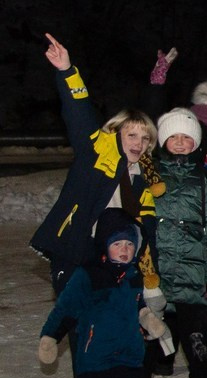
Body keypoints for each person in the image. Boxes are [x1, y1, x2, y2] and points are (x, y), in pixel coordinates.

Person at [31, 34, 159, 297]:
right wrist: (67, 71)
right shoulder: (96, 151)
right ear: (116, 132)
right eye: (132, 135)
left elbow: (147, 227)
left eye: (145, 138)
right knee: (77, 322)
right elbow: (79, 110)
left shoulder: (145, 175)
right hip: (75, 250)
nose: (139, 143)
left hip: (116, 256)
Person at [38, 209, 162, 378]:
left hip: (127, 350)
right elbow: (66, 309)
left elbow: (138, 304)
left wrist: (148, 319)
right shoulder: (87, 276)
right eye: (117, 243)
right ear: (104, 245)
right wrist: (50, 336)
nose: (125, 249)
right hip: (94, 352)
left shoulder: (133, 275)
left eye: (129, 243)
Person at [149, 108, 207, 378]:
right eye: (174, 137)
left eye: (186, 138)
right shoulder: (151, 176)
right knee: (150, 343)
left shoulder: (205, 179)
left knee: (199, 341)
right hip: (157, 275)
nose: (181, 143)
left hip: (195, 275)